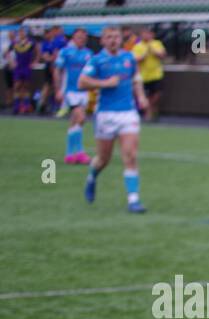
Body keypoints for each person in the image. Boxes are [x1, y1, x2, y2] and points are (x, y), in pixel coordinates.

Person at [79, 24, 150, 213]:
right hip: (106, 115)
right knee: (104, 159)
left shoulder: (129, 58)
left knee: (130, 155)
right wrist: (104, 83)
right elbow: (82, 82)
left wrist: (141, 96)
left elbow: (136, 79)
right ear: (103, 40)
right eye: (109, 37)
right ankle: (92, 176)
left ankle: (133, 200)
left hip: (128, 113)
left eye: (116, 37)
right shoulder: (97, 60)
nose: (113, 40)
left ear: (121, 39)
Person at [54, 28, 92, 164]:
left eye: (84, 37)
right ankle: (80, 153)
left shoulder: (88, 53)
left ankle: (69, 155)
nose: (82, 39)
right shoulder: (65, 52)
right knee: (81, 118)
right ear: (74, 38)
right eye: (79, 37)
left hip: (84, 92)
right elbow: (57, 70)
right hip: (70, 91)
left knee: (74, 122)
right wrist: (58, 89)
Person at [132, 27, 166, 122]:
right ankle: (149, 113)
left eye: (148, 33)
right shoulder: (138, 46)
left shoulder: (157, 44)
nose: (146, 35)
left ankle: (151, 110)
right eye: (144, 33)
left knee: (157, 95)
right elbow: (134, 59)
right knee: (143, 96)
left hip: (156, 75)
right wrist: (143, 56)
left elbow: (162, 55)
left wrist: (153, 50)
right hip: (143, 76)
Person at [39, 25, 67, 115]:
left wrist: (50, 59)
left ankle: (46, 104)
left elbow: (49, 55)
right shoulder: (58, 40)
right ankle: (54, 105)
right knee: (54, 85)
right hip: (55, 66)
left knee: (49, 85)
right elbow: (55, 54)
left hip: (52, 65)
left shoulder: (55, 41)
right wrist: (53, 62)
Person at [9, 29, 37, 114]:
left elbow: (38, 52)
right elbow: (6, 53)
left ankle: (26, 105)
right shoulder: (15, 43)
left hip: (26, 66)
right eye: (20, 32)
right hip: (18, 67)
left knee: (26, 86)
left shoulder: (31, 43)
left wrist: (35, 61)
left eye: (23, 32)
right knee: (17, 85)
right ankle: (17, 105)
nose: (21, 33)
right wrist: (11, 62)